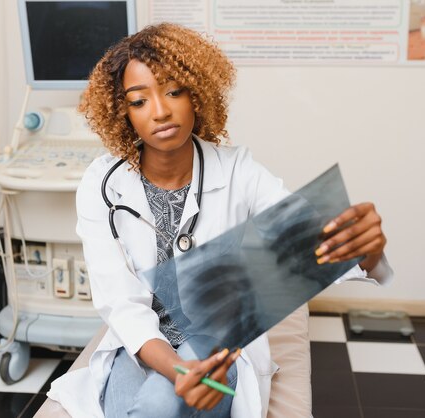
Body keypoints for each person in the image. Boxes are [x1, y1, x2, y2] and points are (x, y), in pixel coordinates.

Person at [47, 23, 392, 417]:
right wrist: (177, 370)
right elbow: (121, 302)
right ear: (123, 113)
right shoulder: (101, 185)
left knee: (160, 406)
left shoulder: (237, 171)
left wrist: (363, 247)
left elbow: (307, 232)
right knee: (140, 406)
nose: (160, 111)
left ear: (197, 93)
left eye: (174, 91)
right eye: (139, 101)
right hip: (142, 342)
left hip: (212, 338)